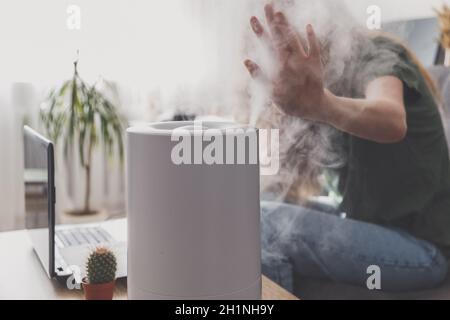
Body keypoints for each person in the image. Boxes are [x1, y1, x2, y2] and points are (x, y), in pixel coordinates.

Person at [244, 3, 450, 292]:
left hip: (423, 249)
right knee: (256, 202)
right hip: (363, 220)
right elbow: (298, 179)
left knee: (263, 221)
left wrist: (321, 105)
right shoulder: (323, 81)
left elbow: (392, 120)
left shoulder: (376, 53)